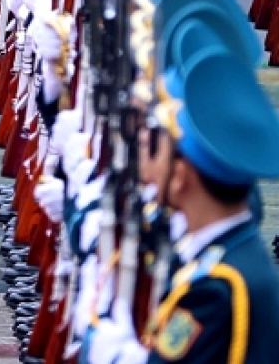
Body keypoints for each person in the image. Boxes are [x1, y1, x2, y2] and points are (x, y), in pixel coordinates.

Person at [83, 50, 279, 364]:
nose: (143, 145)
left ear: (180, 178)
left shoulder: (217, 288)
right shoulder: (224, 256)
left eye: (158, 144)